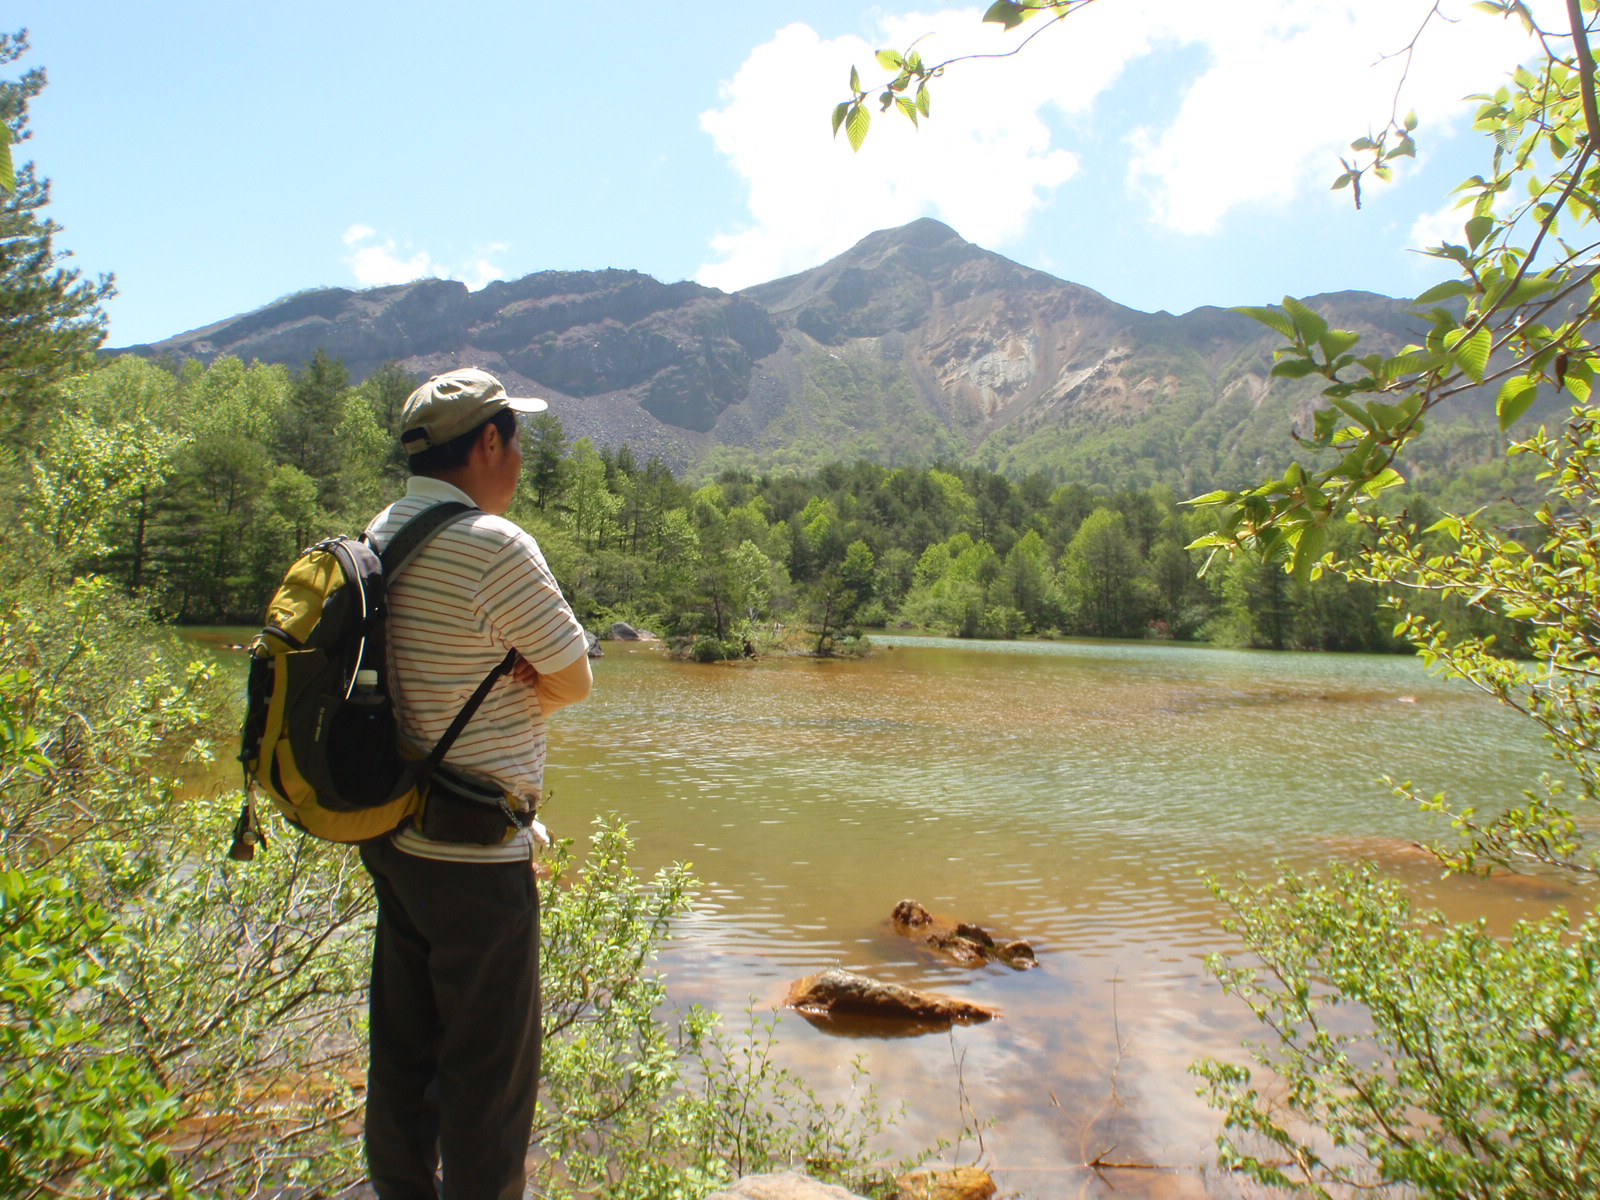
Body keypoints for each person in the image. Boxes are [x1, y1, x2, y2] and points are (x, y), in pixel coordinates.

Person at [357, 367, 592, 1200]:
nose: (521, 455)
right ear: (488, 442)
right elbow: (572, 682)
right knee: (489, 1092)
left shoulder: (374, 537)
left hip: (393, 841)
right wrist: (526, 669)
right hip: (476, 860)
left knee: (404, 1060)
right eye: (516, 437)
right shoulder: (495, 545)